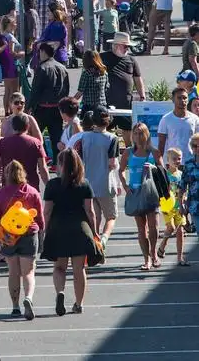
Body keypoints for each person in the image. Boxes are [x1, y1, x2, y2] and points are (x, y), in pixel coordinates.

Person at [41, 149, 99, 316]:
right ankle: (79, 304)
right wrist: (94, 231)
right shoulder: (84, 183)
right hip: (80, 228)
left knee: (59, 267)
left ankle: (60, 292)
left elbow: (47, 211)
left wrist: (45, 230)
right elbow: (90, 211)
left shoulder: (52, 185)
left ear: (60, 165)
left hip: (58, 228)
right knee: (79, 268)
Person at [0, 160, 43, 319]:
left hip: (8, 237)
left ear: (7, 175)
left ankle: (15, 306)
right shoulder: (32, 192)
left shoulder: (1, 194)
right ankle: (28, 298)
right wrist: (40, 235)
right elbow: (40, 219)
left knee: (13, 271)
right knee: (28, 271)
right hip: (29, 234)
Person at [73, 108, 121, 247]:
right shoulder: (112, 138)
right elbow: (112, 163)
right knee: (111, 216)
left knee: (94, 216)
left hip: (88, 183)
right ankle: (104, 239)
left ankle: (94, 240)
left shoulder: (84, 137)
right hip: (106, 183)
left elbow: (79, 160)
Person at [118, 123, 161, 271]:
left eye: (141, 133)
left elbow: (162, 173)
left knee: (153, 226)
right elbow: (121, 170)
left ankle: (154, 252)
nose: (137, 136)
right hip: (135, 192)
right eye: (135, 133)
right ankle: (146, 259)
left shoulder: (153, 152)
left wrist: (154, 168)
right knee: (141, 229)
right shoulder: (128, 152)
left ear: (146, 134)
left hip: (150, 193)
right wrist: (125, 185)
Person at [29, 42, 71, 156]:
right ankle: (58, 162)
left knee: (35, 136)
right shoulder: (62, 68)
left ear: (43, 52)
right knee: (57, 137)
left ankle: (36, 158)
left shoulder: (42, 68)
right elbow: (66, 89)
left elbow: (35, 90)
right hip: (58, 108)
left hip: (42, 108)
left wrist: (29, 107)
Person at [0, 113, 49, 191]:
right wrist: (49, 187)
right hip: (30, 188)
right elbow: (43, 168)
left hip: (9, 188)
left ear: (13, 126)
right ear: (27, 126)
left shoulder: (3, 143)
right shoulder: (35, 143)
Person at [158, 148, 186, 266]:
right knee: (171, 228)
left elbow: (183, 190)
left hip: (179, 206)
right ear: (168, 160)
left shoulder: (181, 174)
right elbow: (162, 190)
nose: (177, 161)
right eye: (174, 159)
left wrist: (183, 202)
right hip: (168, 206)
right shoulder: (165, 174)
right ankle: (162, 244)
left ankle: (180, 257)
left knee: (180, 231)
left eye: (179, 158)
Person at [157, 86, 199, 158]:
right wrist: (160, 166)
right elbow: (161, 145)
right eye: (179, 98)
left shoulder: (195, 119)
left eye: (185, 98)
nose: (182, 100)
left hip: (190, 164)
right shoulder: (166, 119)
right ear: (173, 100)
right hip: (171, 164)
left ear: (188, 100)